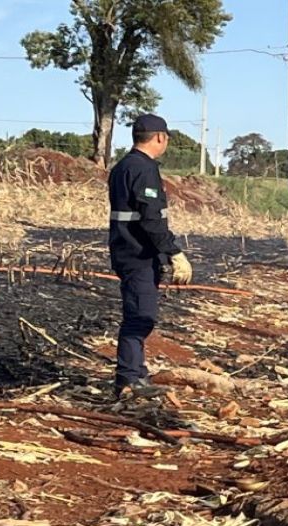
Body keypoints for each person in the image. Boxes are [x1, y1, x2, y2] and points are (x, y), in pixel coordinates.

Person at [107, 114, 193, 400]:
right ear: (159, 138)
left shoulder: (122, 167)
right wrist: (174, 252)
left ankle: (137, 373)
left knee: (140, 313)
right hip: (138, 254)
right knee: (140, 316)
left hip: (127, 250)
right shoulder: (143, 169)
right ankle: (129, 379)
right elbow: (151, 218)